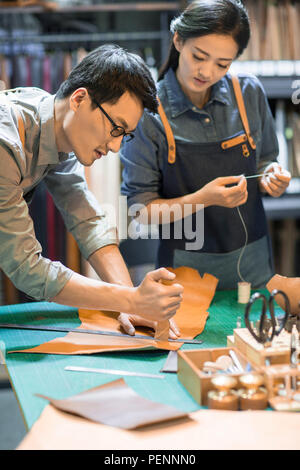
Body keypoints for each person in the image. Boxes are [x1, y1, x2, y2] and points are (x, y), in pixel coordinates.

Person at [0, 44, 183, 338]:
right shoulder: (6, 143)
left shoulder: (54, 125)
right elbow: (27, 268)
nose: (115, 147)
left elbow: (87, 221)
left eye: (125, 135)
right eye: (115, 129)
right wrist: (131, 299)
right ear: (80, 99)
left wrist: (132, 301)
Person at [120, 0, 291, 292]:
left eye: (223, 64)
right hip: (186, 276)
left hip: (254, 266)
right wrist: (203, 199)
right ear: (178, 40)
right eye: (199, 56)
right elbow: (140, 211)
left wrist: (271, 175)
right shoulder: (149, 114)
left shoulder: (248, 93)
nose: (207, 72)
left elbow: (265, 161)